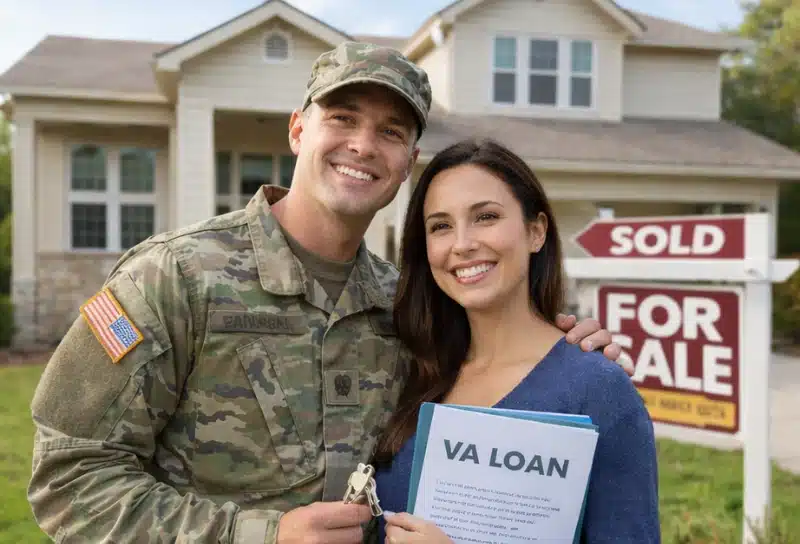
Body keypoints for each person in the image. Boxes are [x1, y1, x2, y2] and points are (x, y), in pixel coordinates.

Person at [27, 43, 626, 544]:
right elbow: (68, 478)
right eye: (342, 118)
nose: (363, 145)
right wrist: (263, 536)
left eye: (390, 131)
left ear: (408, 162)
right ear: (298, 129)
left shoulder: (405, 306)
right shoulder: (175, 277)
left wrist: (569, 349)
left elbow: (498, 357)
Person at [371, 139, 660, 543]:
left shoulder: (598, 391)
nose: (462, 244)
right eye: (441, 226)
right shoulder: (405, 370)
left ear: (536, 231)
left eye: (486, 217)